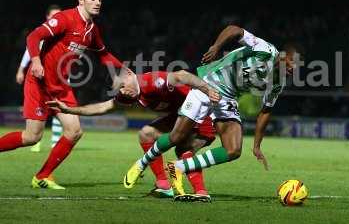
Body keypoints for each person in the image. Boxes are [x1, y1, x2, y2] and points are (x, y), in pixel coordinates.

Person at [122, 25, 298, 196]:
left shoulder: (278, 82)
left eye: (297, 65)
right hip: (208, 84)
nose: (293, 68)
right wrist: (216, 47)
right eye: (292, 62)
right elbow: (234, 30)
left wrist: (257, 146)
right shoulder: (264, 49)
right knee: (177, 137)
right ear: (283, 56)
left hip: (227, 98)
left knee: (233, 150)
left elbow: (266, 111)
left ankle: (178, 167)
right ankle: (141, 163)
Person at [0, 0, 124, 190]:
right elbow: (33, 36)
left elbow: (103, 54)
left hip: (61, 86)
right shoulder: (64, 18)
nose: (98, 3)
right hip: (40, 84)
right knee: (32, 137)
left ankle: (43, 176)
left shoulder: (91, 29)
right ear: (81, 0)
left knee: (74, 131)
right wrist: (37, 62)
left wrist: (126, 71)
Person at [47, 68, 220, 202]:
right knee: (146, 134)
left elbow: (182, 75)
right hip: (180, 115)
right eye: (119, 90)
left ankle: (201, 192)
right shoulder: (128, 94)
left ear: (129, 73)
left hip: (202, 110)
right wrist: (69, 110)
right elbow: (102, 107)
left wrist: (208, 89)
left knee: (184, 149)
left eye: (123, 85)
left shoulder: (151, 81)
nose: (123, 91)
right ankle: (164, 185)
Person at [16, 4, 63, 153]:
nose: (56, 18)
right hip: (39, 78)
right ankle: (35, 140)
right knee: (38, 112)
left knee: (59, 109)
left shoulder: (63, 33)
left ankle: (55, 142)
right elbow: (29, 51)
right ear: (47, 17)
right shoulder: (43, 32)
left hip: (58, 79)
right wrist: (21, 69)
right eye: (53, 15)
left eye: (59, 15)